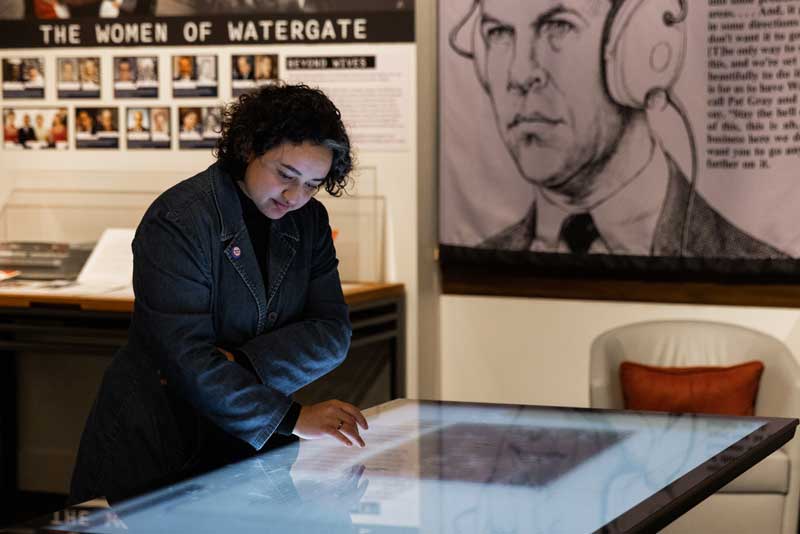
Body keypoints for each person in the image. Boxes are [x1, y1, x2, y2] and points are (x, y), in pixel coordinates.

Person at [69, 83, 367, 505]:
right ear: (248, 148)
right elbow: (185, 356)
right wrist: (293, 417)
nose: (295, 197)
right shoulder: (180, 218)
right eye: (285, 175)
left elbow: (333, 332)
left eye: (313, 184)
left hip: (242, 449)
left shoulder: (309, 221)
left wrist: (244, 363)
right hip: (158, 441)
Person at [451, 0, 786, 258]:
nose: (520, 74)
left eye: (559, 26)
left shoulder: (748, 258)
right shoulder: (488, 253)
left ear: (639, 46)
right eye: (497, 33)